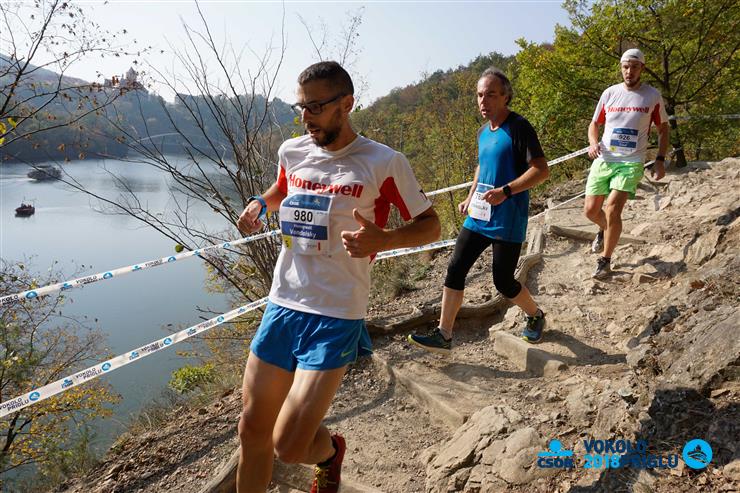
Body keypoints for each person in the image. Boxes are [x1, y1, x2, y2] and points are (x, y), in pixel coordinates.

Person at [235, 61, 440, 493]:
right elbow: (284, 188)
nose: (306, 117)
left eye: (316, 107)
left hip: (336, 312)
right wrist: (261, 203)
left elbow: (431, 226)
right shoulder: (293, 151)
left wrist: (384, 240)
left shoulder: (384, 162)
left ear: (346, 104)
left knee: (289, 445)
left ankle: (329, 453)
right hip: (283, 302)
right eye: (301, 107)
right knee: (251, 430)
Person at [408, 67, 550, 352]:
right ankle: (444, 334)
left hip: (508, 218)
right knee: (455, 268)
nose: (483, 101)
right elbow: (481, 166)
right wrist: (470, 196)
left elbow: (541, 170)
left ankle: (535, 315)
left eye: (491, 95)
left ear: (506, 97)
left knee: (503, 282)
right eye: (480, 95)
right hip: (479, 215)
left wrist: (506, 191)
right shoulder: (483, 132)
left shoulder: (519, 127)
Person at [584, 48, 670, 279]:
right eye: (625, 67)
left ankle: (605, 260)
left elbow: (663, 129)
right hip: (605, 158)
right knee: (590, 211)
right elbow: (594, 124)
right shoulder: (609, 93)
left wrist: (660, 160)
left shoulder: (652, 96)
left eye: (634, 67)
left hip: (631, 161)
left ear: (642, 68)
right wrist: (592, 143)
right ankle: (605, 229)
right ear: (621, 68)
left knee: (613, 208)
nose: (629, 71)